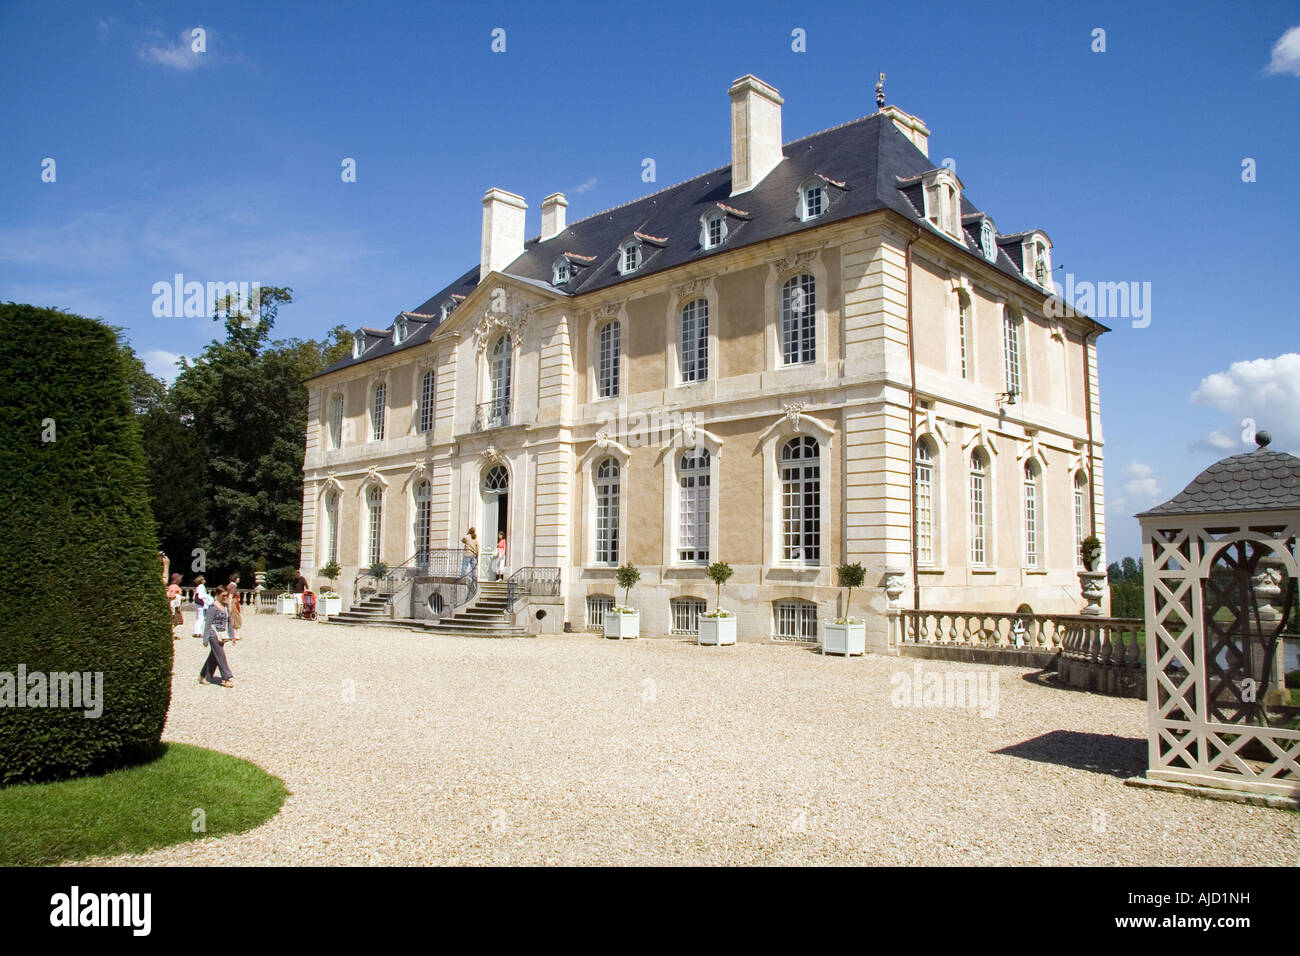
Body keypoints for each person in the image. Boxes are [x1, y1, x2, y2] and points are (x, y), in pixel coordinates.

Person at [199, 586, 235, 687]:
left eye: (226, 596)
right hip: (213, 633)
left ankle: (204, 675)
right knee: (220, 655)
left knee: (214, 656)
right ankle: (227, 677)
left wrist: (232, 636)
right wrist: (205, 639)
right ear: (218, 595)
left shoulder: (226, 607)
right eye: (223, 595)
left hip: (222, 634)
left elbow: (229, 622)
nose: (225, 597)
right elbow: (208, 623)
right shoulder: (212, 607)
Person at [191, 575, 210, 639]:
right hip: (201, 604)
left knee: (198, 618)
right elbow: (200, 596)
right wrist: (206, 597)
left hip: (198, 604)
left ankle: (196, 632)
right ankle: (198, 632)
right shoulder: (201, 586)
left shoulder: (198, 587)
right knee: (201, 618)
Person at [167, 573, 183, 639]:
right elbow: (171, 595)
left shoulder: (172, 586)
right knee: (175, 621)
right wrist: (179, 596)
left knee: (175, 621)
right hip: (175, 606)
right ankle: (169, 633)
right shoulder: (174, 586)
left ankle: (170, 633)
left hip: (174, 605)